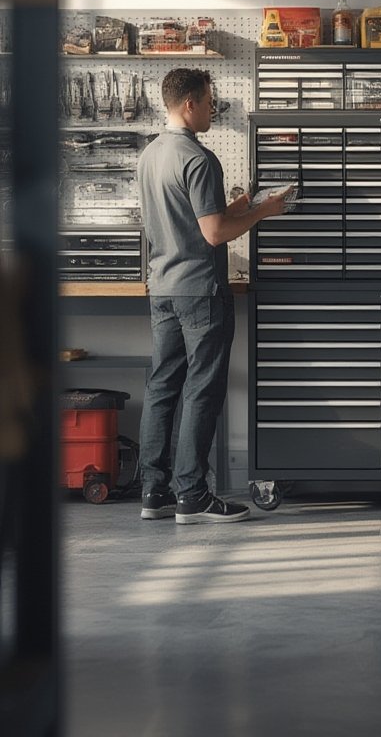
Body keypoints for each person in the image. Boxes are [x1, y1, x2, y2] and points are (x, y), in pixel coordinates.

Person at [137, 67, 289, 524]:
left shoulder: (150, 155)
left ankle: (154, 492)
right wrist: (264, 210)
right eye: (208, 100)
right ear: (189, 104)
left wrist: (241, 203)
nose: (212, 107)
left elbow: (190, 215)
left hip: (162, 287)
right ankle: (193, 495)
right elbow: (214, 232)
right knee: (202, 390)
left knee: (162, 388)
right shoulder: (200, 159)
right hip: (200, 291)